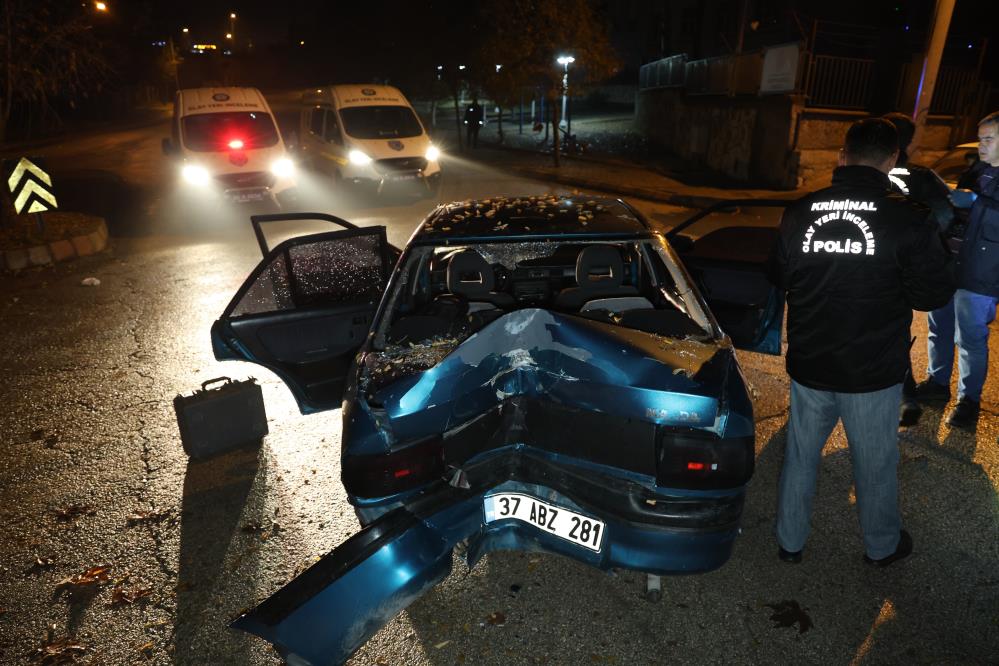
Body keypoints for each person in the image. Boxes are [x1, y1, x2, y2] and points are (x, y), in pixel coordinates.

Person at [768, 118, 954, 567]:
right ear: (891, 161)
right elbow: (932, 293)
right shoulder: (908, 216)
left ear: (841, 155)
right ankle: (881, 547)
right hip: (871, 372)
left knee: (800, 458)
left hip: (812, 363)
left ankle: (790, 543)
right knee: (874, 467)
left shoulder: (802, 211)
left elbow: (778, 275)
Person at [913, 111, 999, 428]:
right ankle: (936, 385)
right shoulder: (975, 171)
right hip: (949, 265)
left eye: (989, 139)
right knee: (939, 329)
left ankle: (969, 402)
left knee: (971, 339)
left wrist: (975, 202)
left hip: (980, 274)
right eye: (981, 138)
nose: (981, 145)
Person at [882, 112, 956, 427]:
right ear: (910, 142)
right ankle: (906, 395)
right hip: (909, 266)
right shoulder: (923, 176)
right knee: (898, 326)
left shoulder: (870, 173)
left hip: (874, 262)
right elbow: (945, 215)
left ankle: (899, 392)